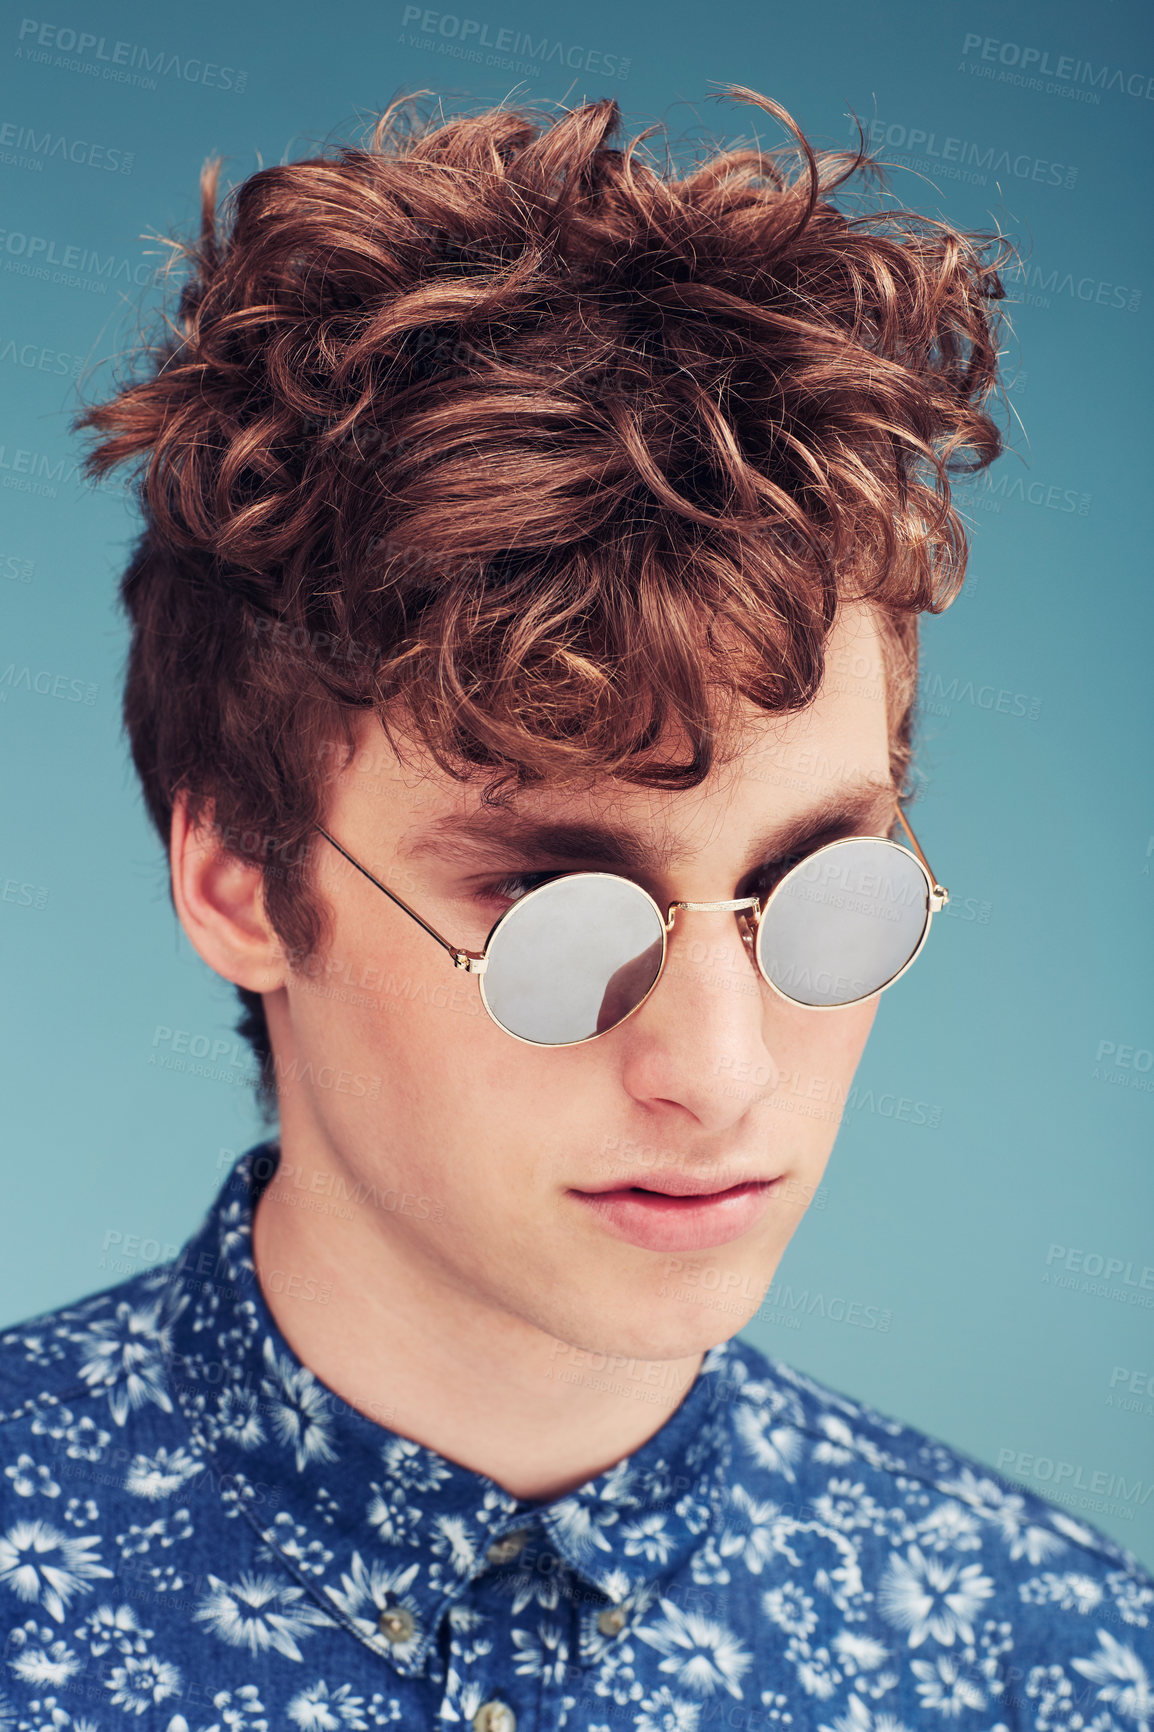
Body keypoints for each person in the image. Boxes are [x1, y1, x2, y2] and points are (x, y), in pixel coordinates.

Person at [1, 86, 1150, 1732]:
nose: (721, 1071)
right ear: (240, 882)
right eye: (556, 913)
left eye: (812, 889)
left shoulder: (1059, 1666)